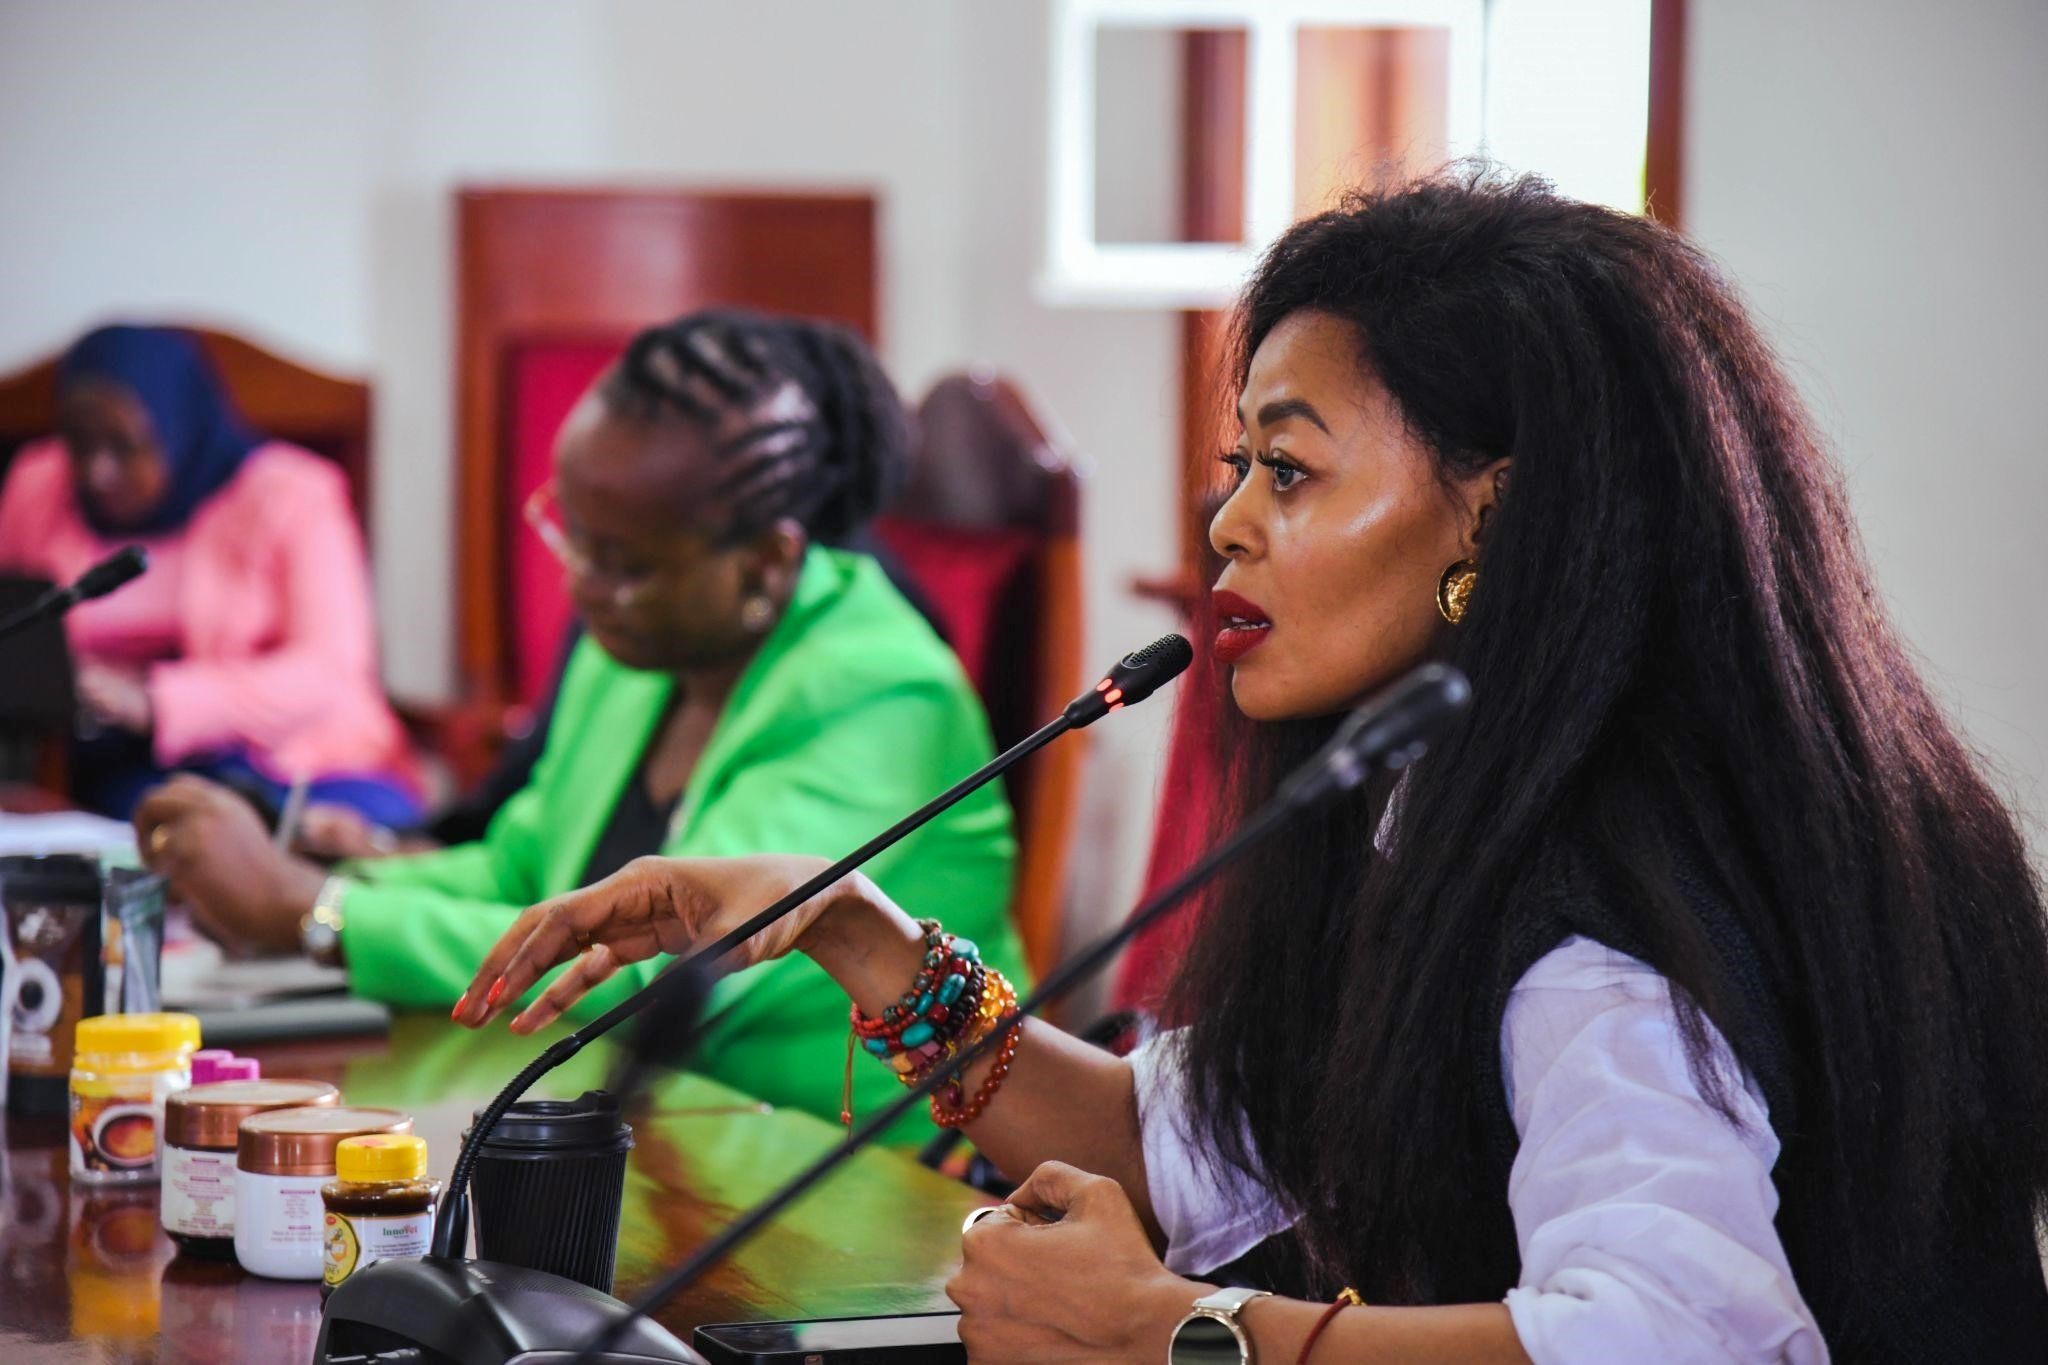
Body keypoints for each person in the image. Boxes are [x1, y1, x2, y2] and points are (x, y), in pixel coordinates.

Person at [454, 171, 2048, 1363]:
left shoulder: (1606, 907)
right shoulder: (1432, 804)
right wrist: (857, 929)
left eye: (1288, 470)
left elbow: (1678, 1335)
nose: (1225, 523)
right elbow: (1161, 1147)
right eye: (1239, 465)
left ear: (1494, 517)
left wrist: (1185, 1333)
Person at [138, 310, 1024, 1141]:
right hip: (649, 1129)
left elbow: (661, 972)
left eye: (624, 562)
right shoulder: (640, 653)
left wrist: (312, 912)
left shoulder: (880, 692)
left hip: (838, 1168)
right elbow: (522, 869)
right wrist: (320, 876)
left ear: (765, 562)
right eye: (574, 534)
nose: (582, 584)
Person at [0, 324, 419, 824]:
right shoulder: (38, 482)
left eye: (124, 446)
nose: (98, 472)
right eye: (79, 444)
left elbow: (329, 672)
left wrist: (154, 701)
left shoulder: (293, 493)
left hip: (290, 763)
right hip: (95, 768)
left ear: (179, 428)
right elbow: (17, 627)